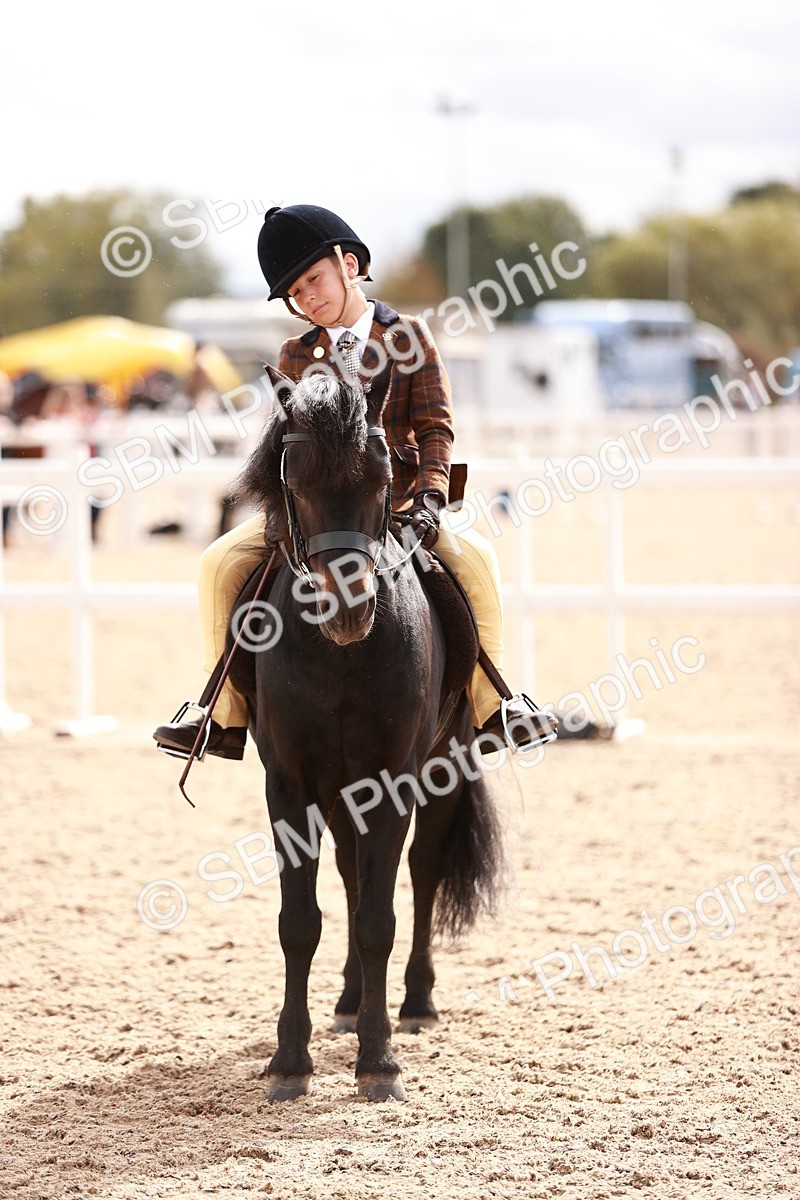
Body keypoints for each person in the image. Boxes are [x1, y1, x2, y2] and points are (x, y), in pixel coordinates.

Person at [153, 205, 557, 761]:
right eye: (294, 293)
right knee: (218, 563)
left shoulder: (408, 336)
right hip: (315, 516)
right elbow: (284, 446)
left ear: (349, 265)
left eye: (313, 280)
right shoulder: (295, 354)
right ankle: (218, 713)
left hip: (397, 504)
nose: (307, 299)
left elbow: (435, 427)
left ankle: (496, 705)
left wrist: (431, 498)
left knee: (476, 561)